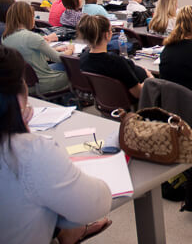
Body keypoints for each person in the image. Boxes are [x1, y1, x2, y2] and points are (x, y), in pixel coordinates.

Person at [0, 45, 112, 244]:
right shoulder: (31, 153)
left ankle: (66, 233)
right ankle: (69, 232)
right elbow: (96, 203)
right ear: (16, 94)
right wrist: (24, 134)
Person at [2, 1, 72, 93]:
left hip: (23, 82)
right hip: (42, 83)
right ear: (27, 18)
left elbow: (28, 55)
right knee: (73, 72)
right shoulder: (32, 37)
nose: (34, 19)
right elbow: (59, 58)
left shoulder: (5, 37)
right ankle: (70, 104)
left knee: (60, 67)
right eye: (33, 16)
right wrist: (70, 49)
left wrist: (53, 49)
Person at [78, 14, 152, 99]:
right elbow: (138, 93)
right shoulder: (117, 62)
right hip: (129, 98)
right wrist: (149, 79)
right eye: (111, 30)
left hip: (105, 99)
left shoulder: (83, 58)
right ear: (107, 35)